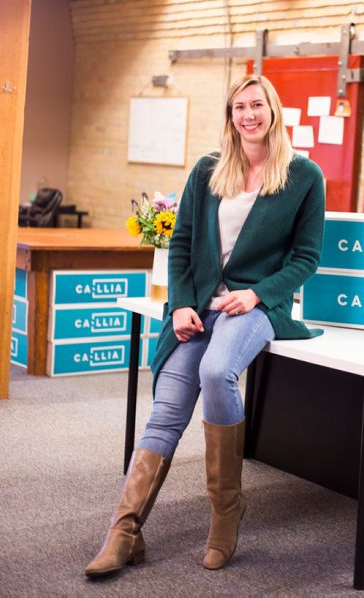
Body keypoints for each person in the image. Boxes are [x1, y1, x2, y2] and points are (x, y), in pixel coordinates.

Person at [85, 74, 326, 578]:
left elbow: (306, 259)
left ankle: (225, 512)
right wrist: (178, 304)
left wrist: (258, 292)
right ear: (230, 115)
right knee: (168, 409)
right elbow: (181, 243)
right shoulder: (209, 169)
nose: (248, 115)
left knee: (218, 372)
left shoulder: (304, 175)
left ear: (273, 110)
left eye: (257, 105)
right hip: (198, 304)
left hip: (254, 308)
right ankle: (125, 531)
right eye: (239, 107)